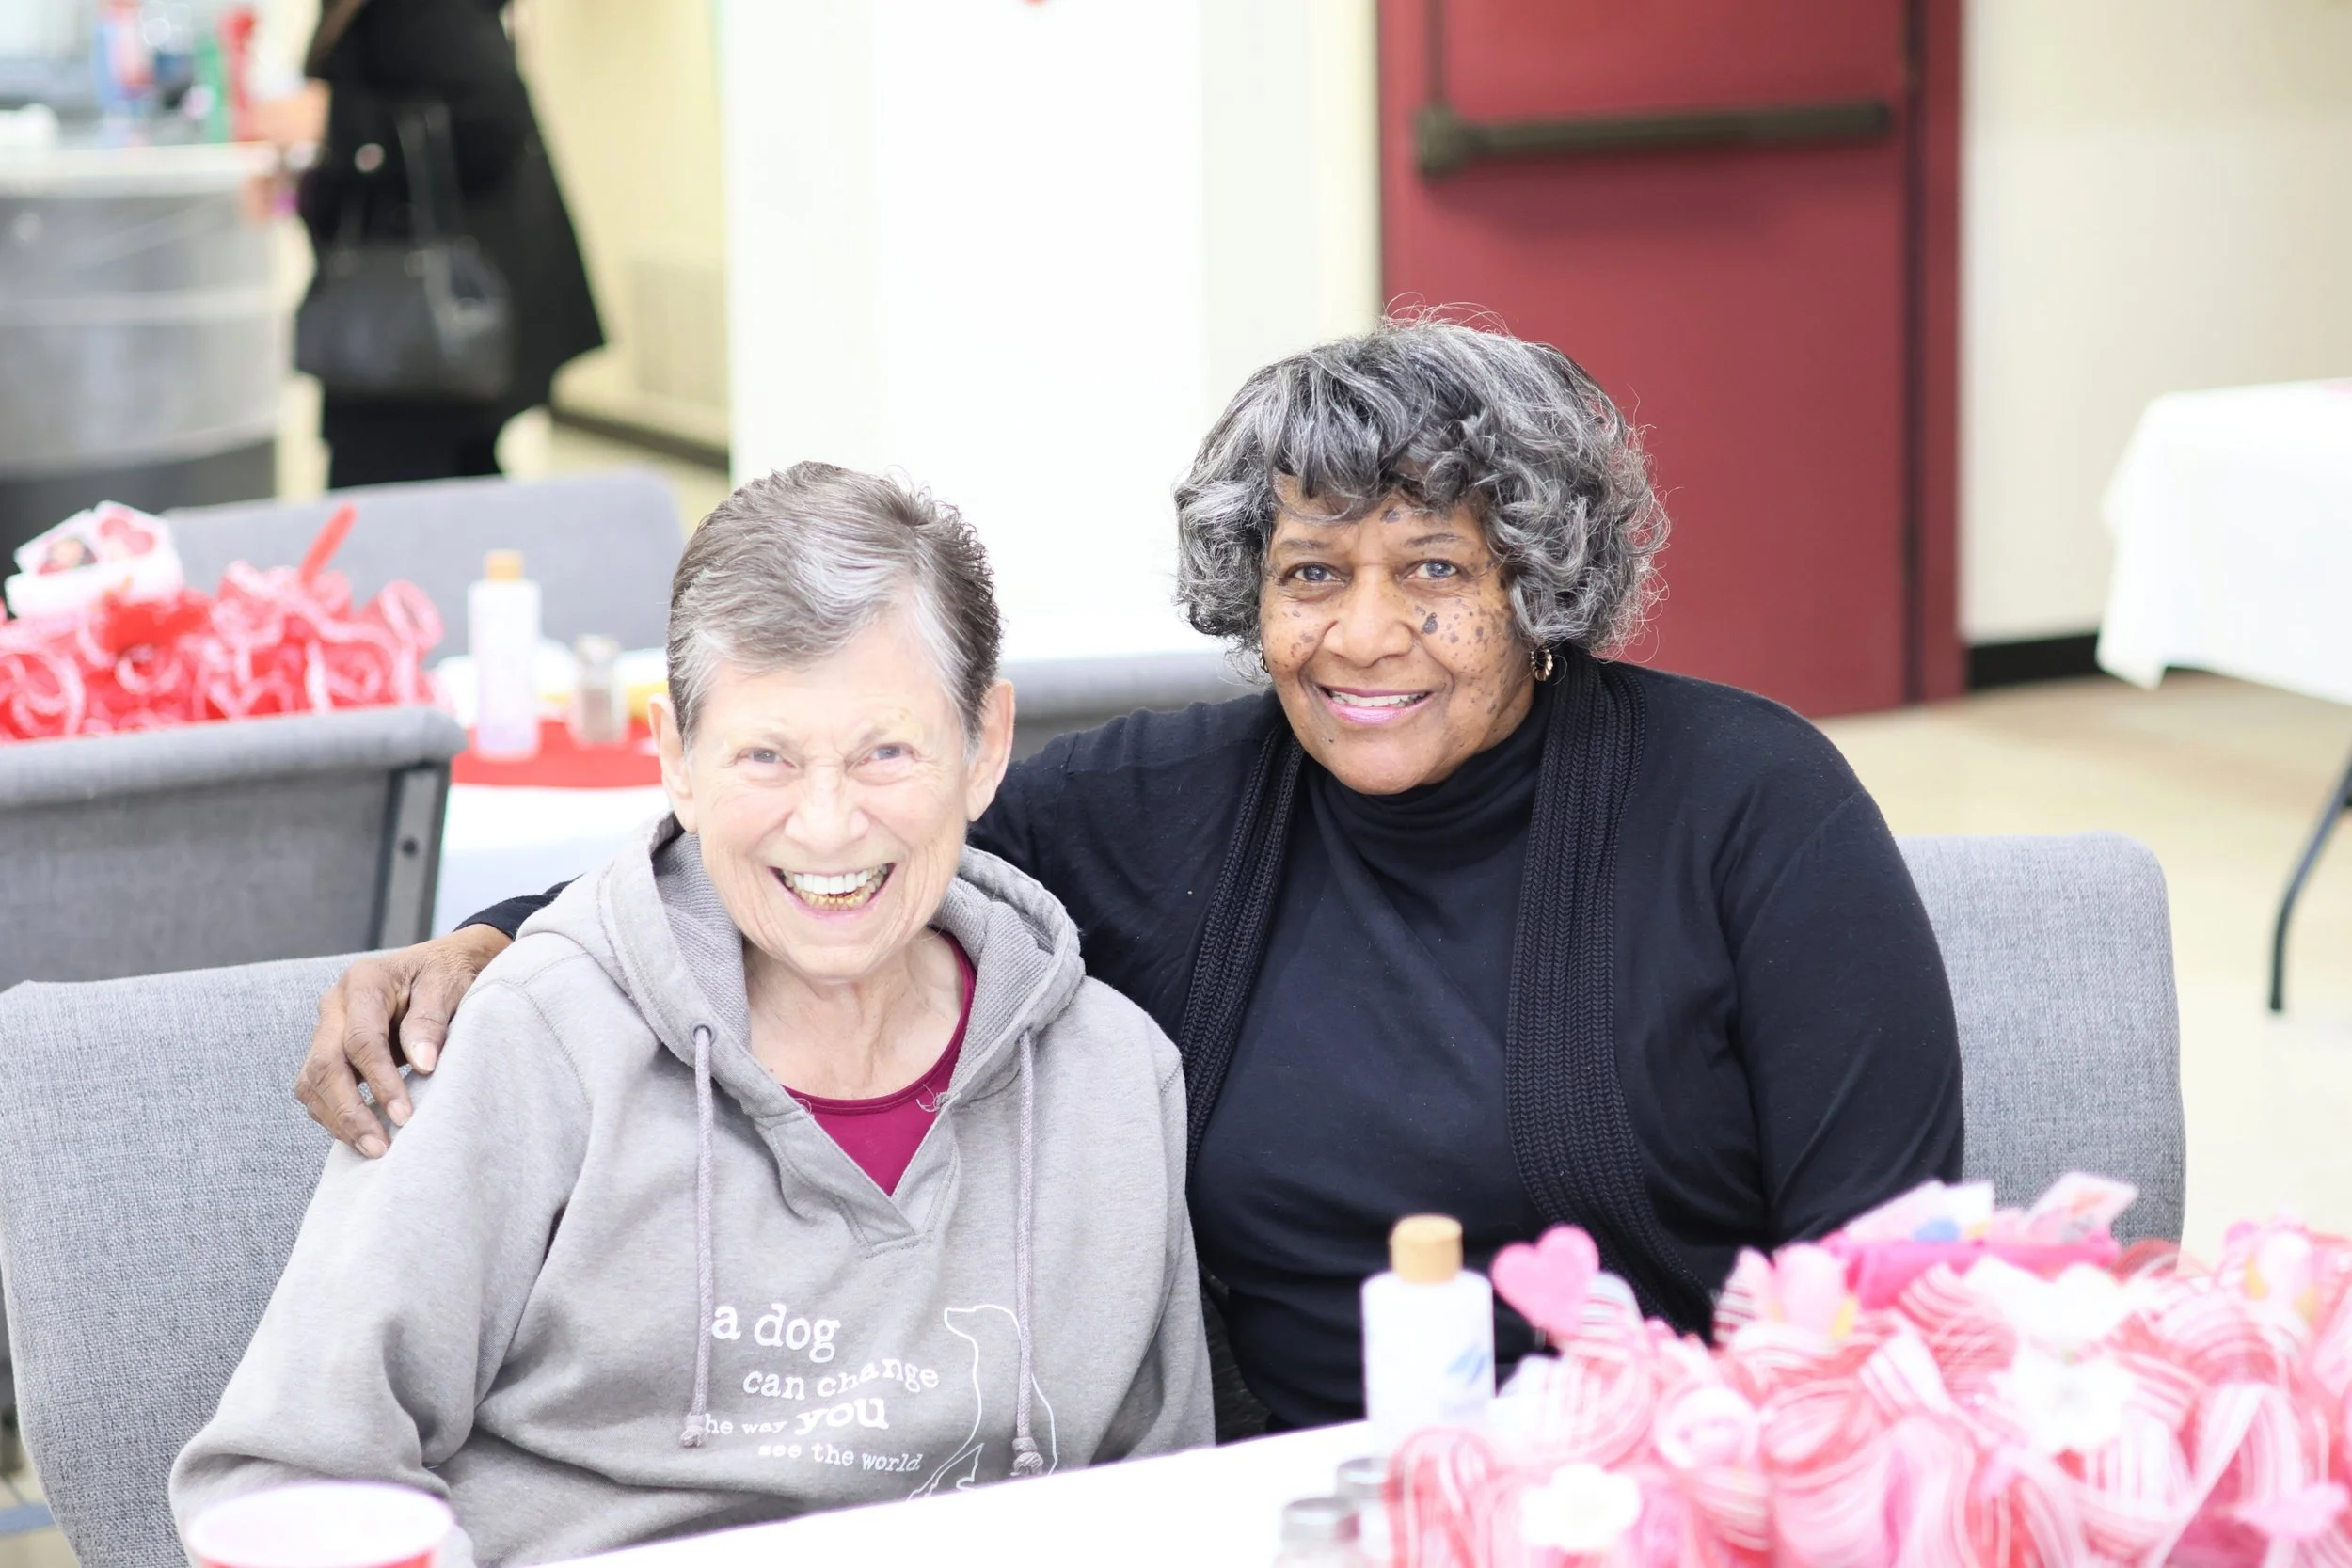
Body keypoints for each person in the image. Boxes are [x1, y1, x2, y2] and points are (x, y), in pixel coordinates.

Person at [300, 320, 1964, 1437]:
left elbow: (1888, 1284)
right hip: (1272, 1511)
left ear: (1542, 584)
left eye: (1436, 575)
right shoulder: (1183, 806)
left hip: (1686, 1504)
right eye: (1312, 572)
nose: (1364, 636)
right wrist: (487, 939)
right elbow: (833, 852)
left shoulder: (1751, 807)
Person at [178, 466, 1211, 1564]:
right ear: (674, 759)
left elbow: (1178, 1511)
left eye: (886, 752)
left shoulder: (1113, 1077)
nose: (826, 825)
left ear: (985, 744)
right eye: (765, 754)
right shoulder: (535, 1041)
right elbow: (284, 1479)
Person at [282, 0, 602, 487]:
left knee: (394, 497)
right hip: (409, 312)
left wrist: (339, 121)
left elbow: (492, 125)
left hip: (426, 313)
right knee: (446, 489)